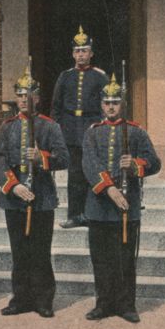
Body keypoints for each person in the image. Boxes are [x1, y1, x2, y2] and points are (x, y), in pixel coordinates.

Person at [82, 74, 160, 323]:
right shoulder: (93, 133)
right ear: (102, 105)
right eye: (107, 102)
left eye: (116, 102)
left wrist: (136, 165)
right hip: (99, 205)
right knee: (101, 258)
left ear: (122, 104)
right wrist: (109, 188)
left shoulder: (136, 132)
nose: (111, 106)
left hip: (127, 205)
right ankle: (103, 304)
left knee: (124, 257)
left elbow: (155, 163)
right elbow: (89, 164)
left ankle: (126, 305)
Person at [0, 68, 69, 318]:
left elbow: (64, 158)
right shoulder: (7, 127)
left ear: (37, 98)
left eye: (29, 95)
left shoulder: (50, 126)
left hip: (42, 198)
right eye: (20, 95)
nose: (24, 99)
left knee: (40, 251)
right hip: (15, 198)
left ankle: (43, 299)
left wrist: (42, 158)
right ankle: (20, 299)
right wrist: (14, 185)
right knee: (19, 251)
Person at [51, 26, 109, 228]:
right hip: (70, 129)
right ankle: (74, 215)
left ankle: (92, 214)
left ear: (91, 53)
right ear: (72, 54)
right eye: (77, 51)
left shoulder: (100, 76)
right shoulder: (65, 76)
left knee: (91, 172)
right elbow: (56, 107)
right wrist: (57, 133)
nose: (81, 55)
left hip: (91, 128)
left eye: (84, 51)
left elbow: (106, 105)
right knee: (74, 173)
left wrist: (101, 130)